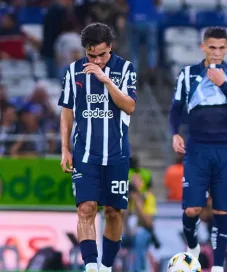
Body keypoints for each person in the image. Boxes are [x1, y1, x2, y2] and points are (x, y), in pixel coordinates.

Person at [168, 26, 227, 272]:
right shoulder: (188, 74)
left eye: (221, 48)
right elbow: (175, 109)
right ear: (202, 47)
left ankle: (217, 266)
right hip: (197, 148)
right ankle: (192, 245)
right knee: (192, 209)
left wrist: (224, 84)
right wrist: (175, 133)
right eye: (212, 47)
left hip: (225, 149)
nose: (217, 53)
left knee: (221, 209)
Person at [58, 23, 137, 272]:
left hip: (117, 154)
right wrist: (65, 149)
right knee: (86, 208)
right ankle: (91, 267)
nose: (97, 60)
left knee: (113, 212)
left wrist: (105, 80)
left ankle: (106, 266)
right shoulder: (73, 72)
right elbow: (67, 112)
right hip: (85, 153)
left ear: (110, 47)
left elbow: (130, 106)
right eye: (91, 55)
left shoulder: (124, 69)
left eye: (101, 55)